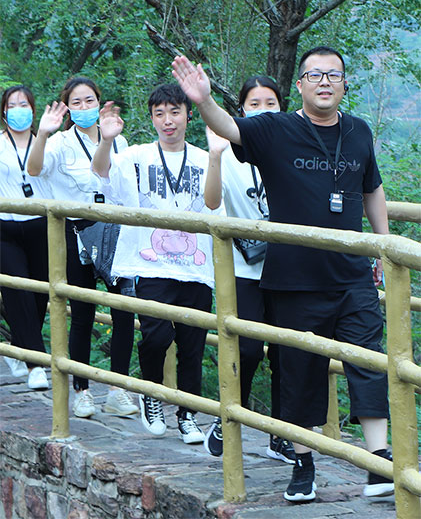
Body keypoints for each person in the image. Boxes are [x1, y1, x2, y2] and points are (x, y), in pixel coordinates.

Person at [172, 47, 392, 502]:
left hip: (352, 274)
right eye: (315, 75)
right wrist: (203, 101)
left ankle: (379, 462)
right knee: (299, 371)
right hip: (295, 277)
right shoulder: (276, 128)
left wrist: (383, 247)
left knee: (369, 362)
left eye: (334, 74)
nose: (325, 82)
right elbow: (229, 128)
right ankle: (303, 464)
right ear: (301, 84)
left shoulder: (358, 131)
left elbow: (372, 189)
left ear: (345, 83)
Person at [92, 83, 222, 445]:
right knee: (156, 336)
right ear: (151, 119)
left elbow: (215, 204)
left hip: (195, 267)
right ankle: (152, 394)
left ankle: (188, 414)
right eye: (160, 113)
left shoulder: (204, 158)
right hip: (152, 266)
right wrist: (106, 140)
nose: (168, 121)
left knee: (193, 343)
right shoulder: (137, 156)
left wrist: (216, 155)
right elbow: (101, 173)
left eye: (175, 112)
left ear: (188, 116)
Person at [27, 77, 138, 419]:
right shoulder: (59, 142)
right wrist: (42, 133)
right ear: (67, 107)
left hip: (115, 231)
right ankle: (82, 391)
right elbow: (34, 169)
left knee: (124, 311)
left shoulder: (118, 139)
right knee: (82, 313)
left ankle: (117, 389)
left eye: (89, 100)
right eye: (76, 102)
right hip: (76, 233)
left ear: (99, 103)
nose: (84, 107)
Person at [203, 76, 295, 464]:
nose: (262, 111)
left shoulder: (293, 148)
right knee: (248, 348)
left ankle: (282, 434)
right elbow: (211, 203)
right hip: (244, 268)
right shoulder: (228, 150)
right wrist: (214, 155)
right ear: (241, 110)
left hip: (288, 268)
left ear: (283, 108)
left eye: (270, 103)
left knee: (287, 354)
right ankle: (228, 415)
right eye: (254, 104)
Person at [0, 86, 66, 389]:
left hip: (41, 227)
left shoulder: (48, 143)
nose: (18, 110)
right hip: (6, 229)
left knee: (40, 295)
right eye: (12, 105)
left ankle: (19, 347)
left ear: (33, 110)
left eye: (24, 104)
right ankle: (36, 363)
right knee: (18, 292)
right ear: (4, 112)